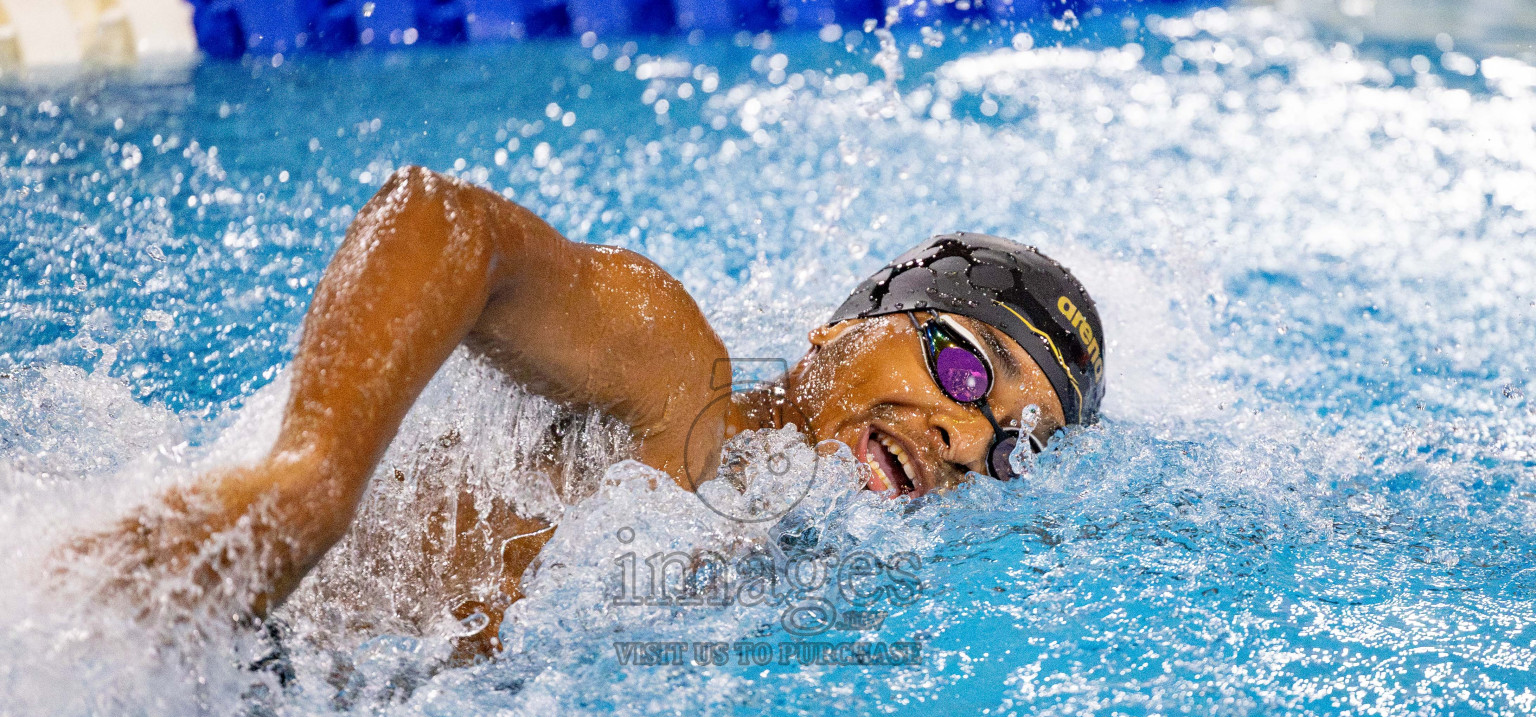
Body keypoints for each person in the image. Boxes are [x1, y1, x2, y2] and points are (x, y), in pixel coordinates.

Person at [63, 167, 1105, 658]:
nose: (970, 436)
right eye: (971, 368)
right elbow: (444, 220)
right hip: (177, 635)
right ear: (842, 329)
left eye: (1016, 441)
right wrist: (312, 477)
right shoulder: (673, 377)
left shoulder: (810, 592)